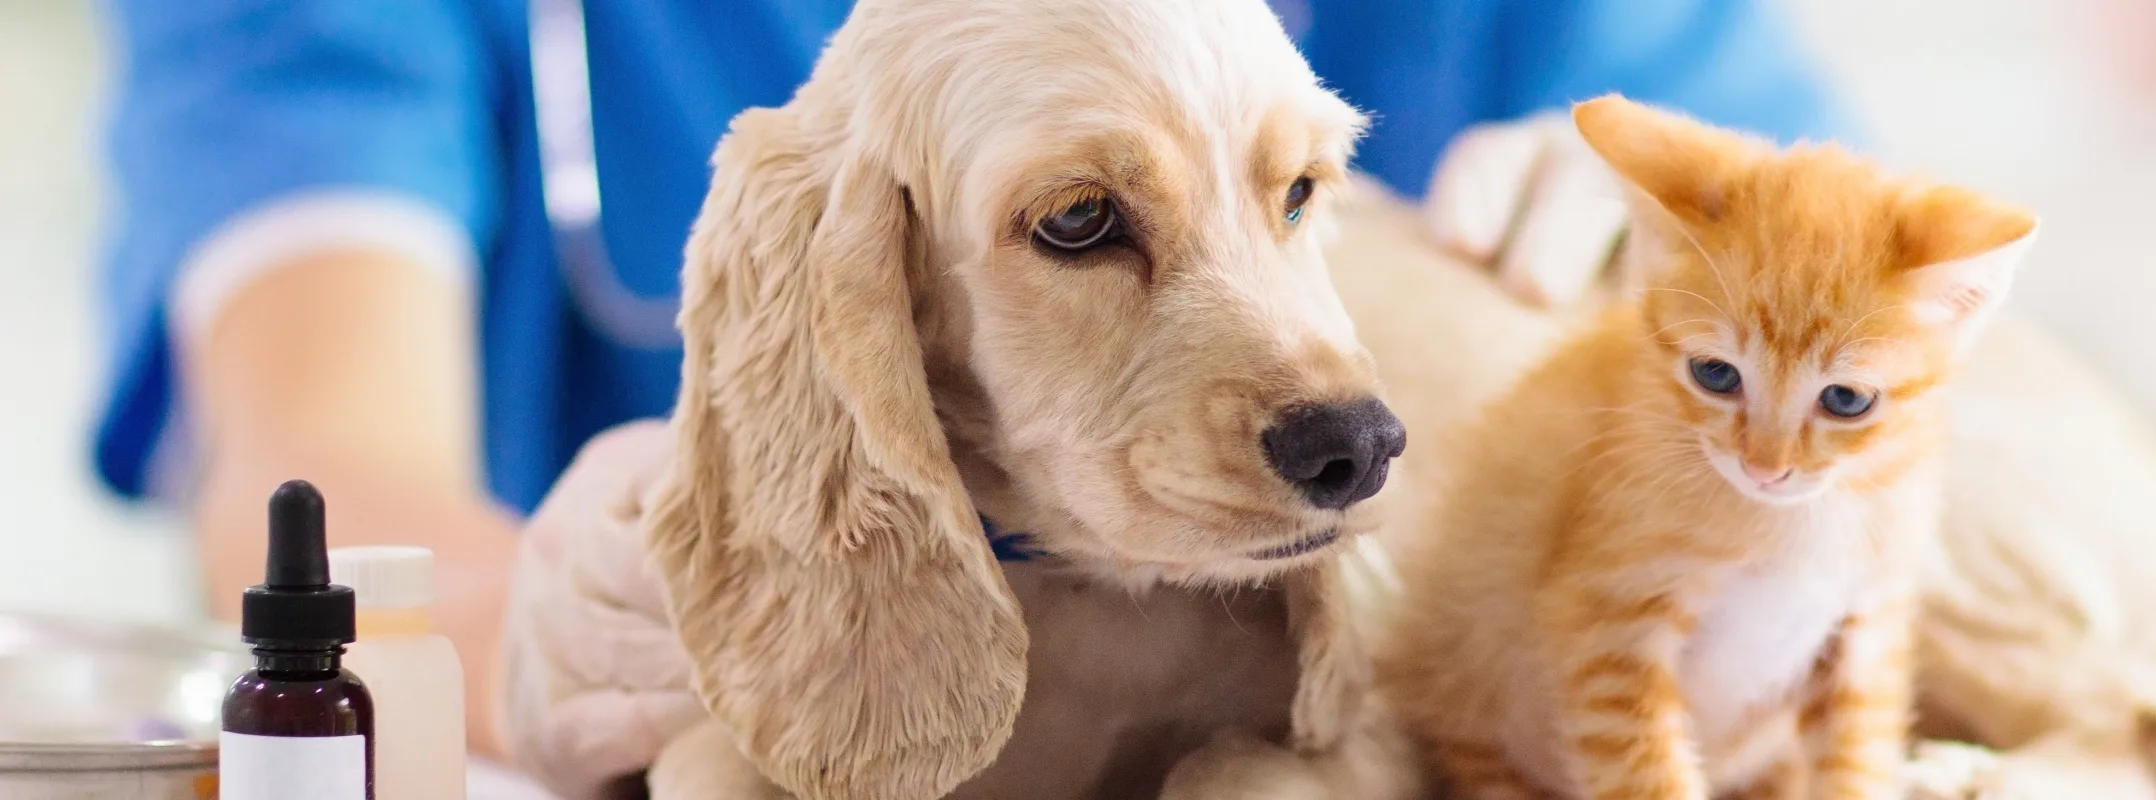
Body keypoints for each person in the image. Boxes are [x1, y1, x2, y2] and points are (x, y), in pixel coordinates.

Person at [96, 0, 1842, 758]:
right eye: (1083, 217)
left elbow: (1933, 309)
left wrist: (1724, 274)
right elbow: (317, 467)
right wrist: (547, 621)